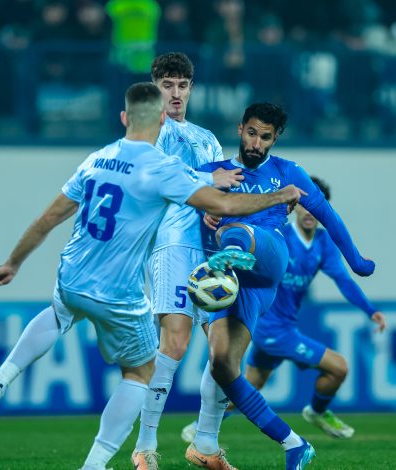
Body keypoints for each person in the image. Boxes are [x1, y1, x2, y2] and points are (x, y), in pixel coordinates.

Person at [0, 82, 305, 470]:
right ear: (160, 120)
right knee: (142, 373)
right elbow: (222, 202)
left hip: (73, 273)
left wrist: (13, 263)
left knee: (57, 315)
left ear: (124, 118)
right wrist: (276, 196)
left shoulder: (96, 159)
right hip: (119, 290)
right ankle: (101, 463)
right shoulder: (160, 168)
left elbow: (49, 216)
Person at [187, 102, 376, 470]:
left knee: (233, 226)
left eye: (266, 137)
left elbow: (328, 216)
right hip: (239, 287)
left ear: (276, 139)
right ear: (241, 129)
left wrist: (356, 261)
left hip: (269, 256)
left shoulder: (288, 173)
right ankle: (294, 443)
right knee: (222, 364)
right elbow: (168, 188)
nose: (257, 143)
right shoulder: (213, 173)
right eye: (252, 133)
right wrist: (202, 202)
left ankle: (228, 253)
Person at [181, 176, 387, 444]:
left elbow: (344, 281)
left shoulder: (323, 244)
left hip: (286, 325)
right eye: (304, 206)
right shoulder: (279, 238)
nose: (309, 213)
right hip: (271, 328)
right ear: (294, 207)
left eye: (316, 208)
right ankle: (316, 411)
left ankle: (200, 425)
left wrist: (370, 311)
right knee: (339, 368)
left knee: (247, 386)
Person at [132, 51, 240, 470]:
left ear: (191, 88)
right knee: (175, 343)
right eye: (167, 85)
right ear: (155, 87)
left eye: (182, 86)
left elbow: (222, 189)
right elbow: (152, 183)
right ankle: (144, 447)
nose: (175, 94)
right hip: (172, 243)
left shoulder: (207, 137)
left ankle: (206, 445)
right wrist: (204, 185)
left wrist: (220, 205)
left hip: (210, 248)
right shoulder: (149, 133)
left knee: (225, 353)